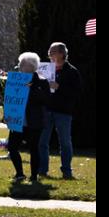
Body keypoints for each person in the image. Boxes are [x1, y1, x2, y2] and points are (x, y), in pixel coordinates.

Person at [35, 41, 81, 179]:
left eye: (53, 51)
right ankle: (42, 170)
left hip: (63, 112)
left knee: (65, 142)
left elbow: (77, 92)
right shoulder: (44, 69)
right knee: (42, 141)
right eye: (49, 51)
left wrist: (59, 87)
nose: (49, 53)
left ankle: (66, 171)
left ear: (62, 54)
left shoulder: (72, 72)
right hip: (46, 110)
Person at [6, 52, 50, 183]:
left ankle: (34, 175)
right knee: (12, 147)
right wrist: (7, 114)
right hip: (18, 121)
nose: (19, 66)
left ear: (30, 66)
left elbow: (45, 100)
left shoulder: (42, 82)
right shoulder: (16, 80)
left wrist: (32, 88)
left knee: (34, 148)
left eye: (22, 64)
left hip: (34, 122)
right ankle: (19, 173)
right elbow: (9, 99)